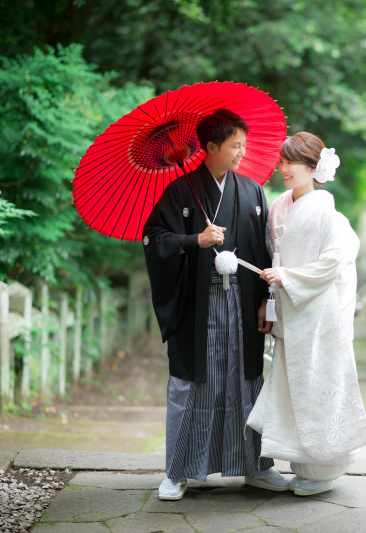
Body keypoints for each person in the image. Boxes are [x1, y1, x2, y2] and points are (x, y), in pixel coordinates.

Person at [142, 108, 291, 501]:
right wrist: (195, 241)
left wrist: (265, 302)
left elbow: (262, 250)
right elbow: (154, 239)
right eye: (234, 146)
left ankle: (256, 466)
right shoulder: (180, 191)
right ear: (210, 147)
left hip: (243, 302)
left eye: (244, 145)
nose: (242, 153)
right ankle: (178, 471)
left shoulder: (251, 191)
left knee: (246, 380)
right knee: (194, 383)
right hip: (199, 304)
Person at [247, 132, 366, 497]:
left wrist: (288, 276)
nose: (282, 168)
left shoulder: (324, 208)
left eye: (290, 162)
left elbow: (335, 260)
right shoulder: (279, 205)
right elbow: (275, 256)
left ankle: (323, 469)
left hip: (319, 311)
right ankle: (301, 467)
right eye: (282, 161)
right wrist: (270, 294)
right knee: (291, 388)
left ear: (312, 168)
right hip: (290, 307)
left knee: (320, 386)